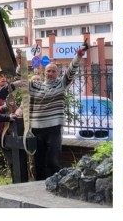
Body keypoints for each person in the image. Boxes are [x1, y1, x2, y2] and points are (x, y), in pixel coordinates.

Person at [28, 42, 88, 180]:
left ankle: (55, 185)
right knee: (39, 162)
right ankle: (39, 187)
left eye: (53, 71)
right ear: (44, 72)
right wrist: (20, 64)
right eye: (48, 71)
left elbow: (71, 71)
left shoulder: (61, 85)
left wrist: (79, 55)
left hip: (54, 128)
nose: (50, 73)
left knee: (54, 160)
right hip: (37, 129)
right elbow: (20, 79)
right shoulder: (35, 86)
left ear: (58, 73)